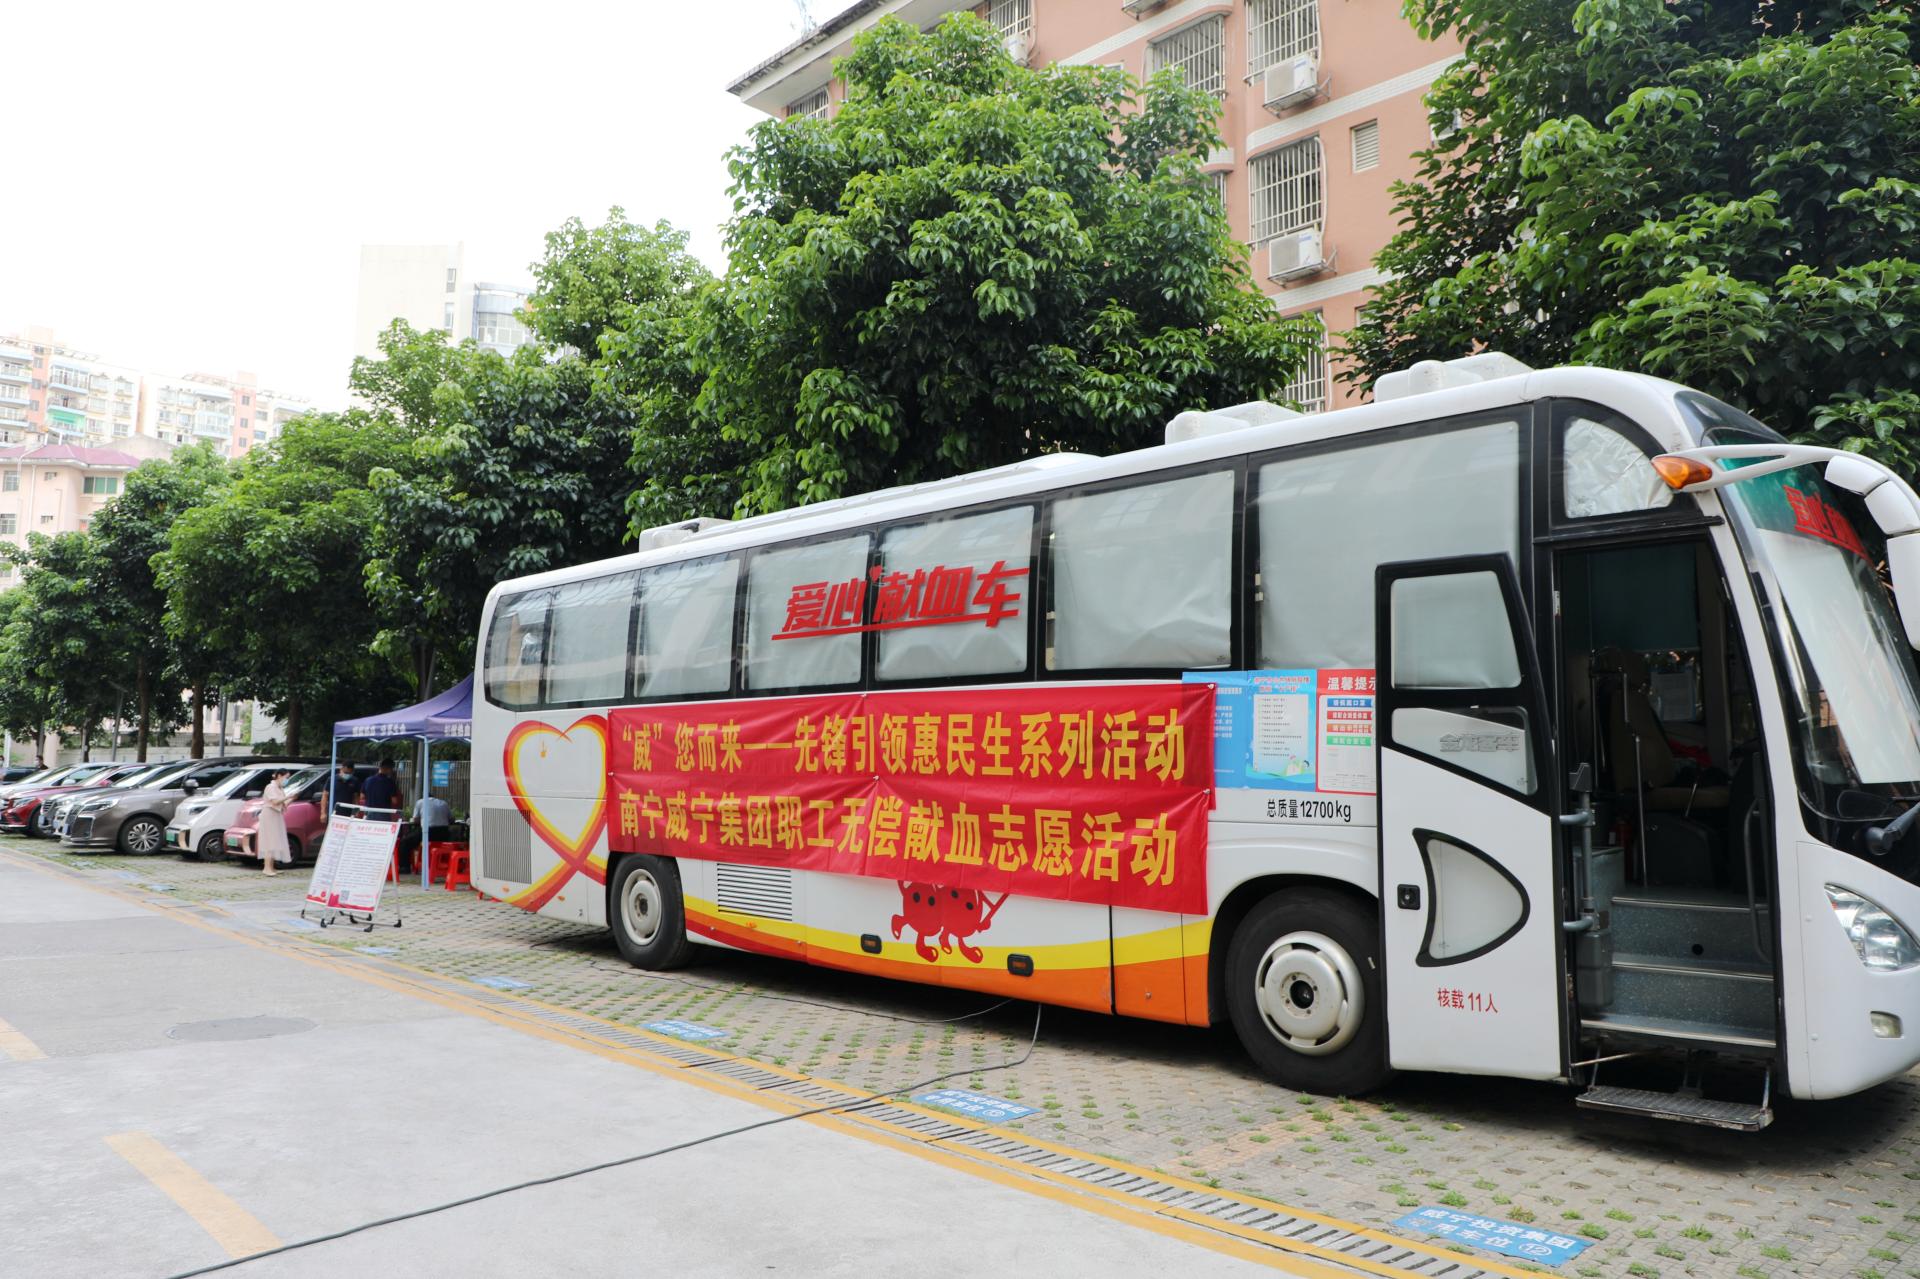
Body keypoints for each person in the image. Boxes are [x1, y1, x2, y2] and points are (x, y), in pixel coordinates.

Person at [257, 768, 292, 877]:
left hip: (276, 815)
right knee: (269, 840)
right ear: (279, 776)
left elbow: (283, 803)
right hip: (269, 815)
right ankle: (266, 868)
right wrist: (288, 797)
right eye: (286, 777)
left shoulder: (279, 788)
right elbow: (275, 801)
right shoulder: (270, 787)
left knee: (275, 840)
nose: (287, 780)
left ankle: (271, 867)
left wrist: (292, 798)